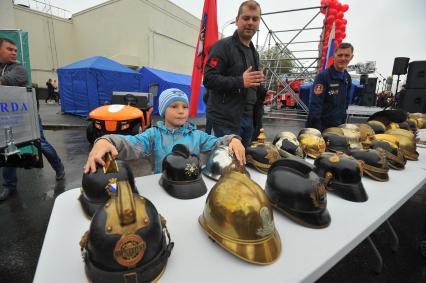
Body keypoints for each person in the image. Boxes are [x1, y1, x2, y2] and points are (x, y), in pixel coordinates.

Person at [84, 88, 246, 174]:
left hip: (193, 183)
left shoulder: (197, 135)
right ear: (163, 110)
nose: (181, 111)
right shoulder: (153, 135)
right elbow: (131, 143)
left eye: (185, 107)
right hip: (163, 184)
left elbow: (217, 142)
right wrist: (106, 141)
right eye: (174, 106)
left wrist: (233, 139)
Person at [0, 37, 65, 201]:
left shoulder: (19, 69)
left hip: (26, 115)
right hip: (5, 116)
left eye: (15, 50)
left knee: (40, 142)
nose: (14, 52)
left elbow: (4, 82)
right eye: (9, 49)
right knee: (8, 147)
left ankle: (59, 168)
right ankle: (9, 186)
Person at [203, 0, 275, 148]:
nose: (250, 22)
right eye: (246, 18)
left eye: (255, 19)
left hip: (248, 119)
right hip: (224, 121)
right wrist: (240, 81)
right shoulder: (221, 47)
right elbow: (209, 79)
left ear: (258, 23)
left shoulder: (254, 53)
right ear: (237, 20)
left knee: (244, 164)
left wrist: (262, 92)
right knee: (226, 165)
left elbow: (250, 83)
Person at [306, 42, 354, 131]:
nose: (343, 58)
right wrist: (317, 130)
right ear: (334, 56)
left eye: (347, 55)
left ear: (351, 57)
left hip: (338, 126)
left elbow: (345, 104)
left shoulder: (347, 78)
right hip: (320, 127)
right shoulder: (323, 77)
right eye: (340, 55)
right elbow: (315, 106)